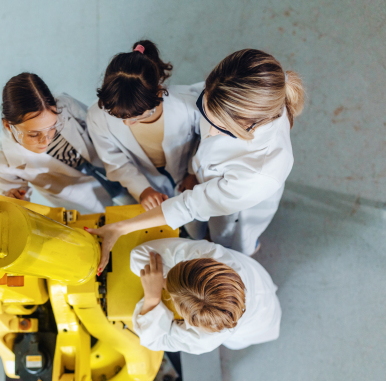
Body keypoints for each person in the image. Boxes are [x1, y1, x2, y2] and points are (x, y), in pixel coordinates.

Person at [88, 49, 305, 272]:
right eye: (204, 108)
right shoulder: (224, 93)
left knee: (233, 240)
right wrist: (193, 171)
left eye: (222, 128)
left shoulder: (263, 171)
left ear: (250, 125)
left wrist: (120, 228)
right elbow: (205, 147)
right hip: (204, 178)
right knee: (208, 226)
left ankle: (245, 250)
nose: (208, 132)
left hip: (242, 208)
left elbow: (190, 206)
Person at [0, 72, 128, 214]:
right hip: (79, 197)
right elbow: (16, 203)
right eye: (33, 134)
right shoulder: (1, 160)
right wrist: (14, 199)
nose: (46, 139)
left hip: (110, 166)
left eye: (53, 126)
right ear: (8, 126)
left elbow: (99, 129)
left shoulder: (66, 106)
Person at [87, 40, 201, 211]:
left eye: (137, 116)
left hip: (189, 172)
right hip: (146, 175)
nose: (126, 123)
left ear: (157, 93)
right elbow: (115, 162)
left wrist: (194, 173)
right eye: (118, 116)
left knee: (197, 223)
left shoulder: (188, 105)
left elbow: (206, 139)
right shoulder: (97, 116)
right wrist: (143, 190)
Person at [131, 238, 281, 354]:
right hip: (260, 282)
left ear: (189, 318)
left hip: (257, 324)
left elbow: (153, 340)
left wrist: (152, 298)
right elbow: (139, 254)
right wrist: (168, 284)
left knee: (235, 342)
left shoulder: (204, 340)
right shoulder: (211, 256)